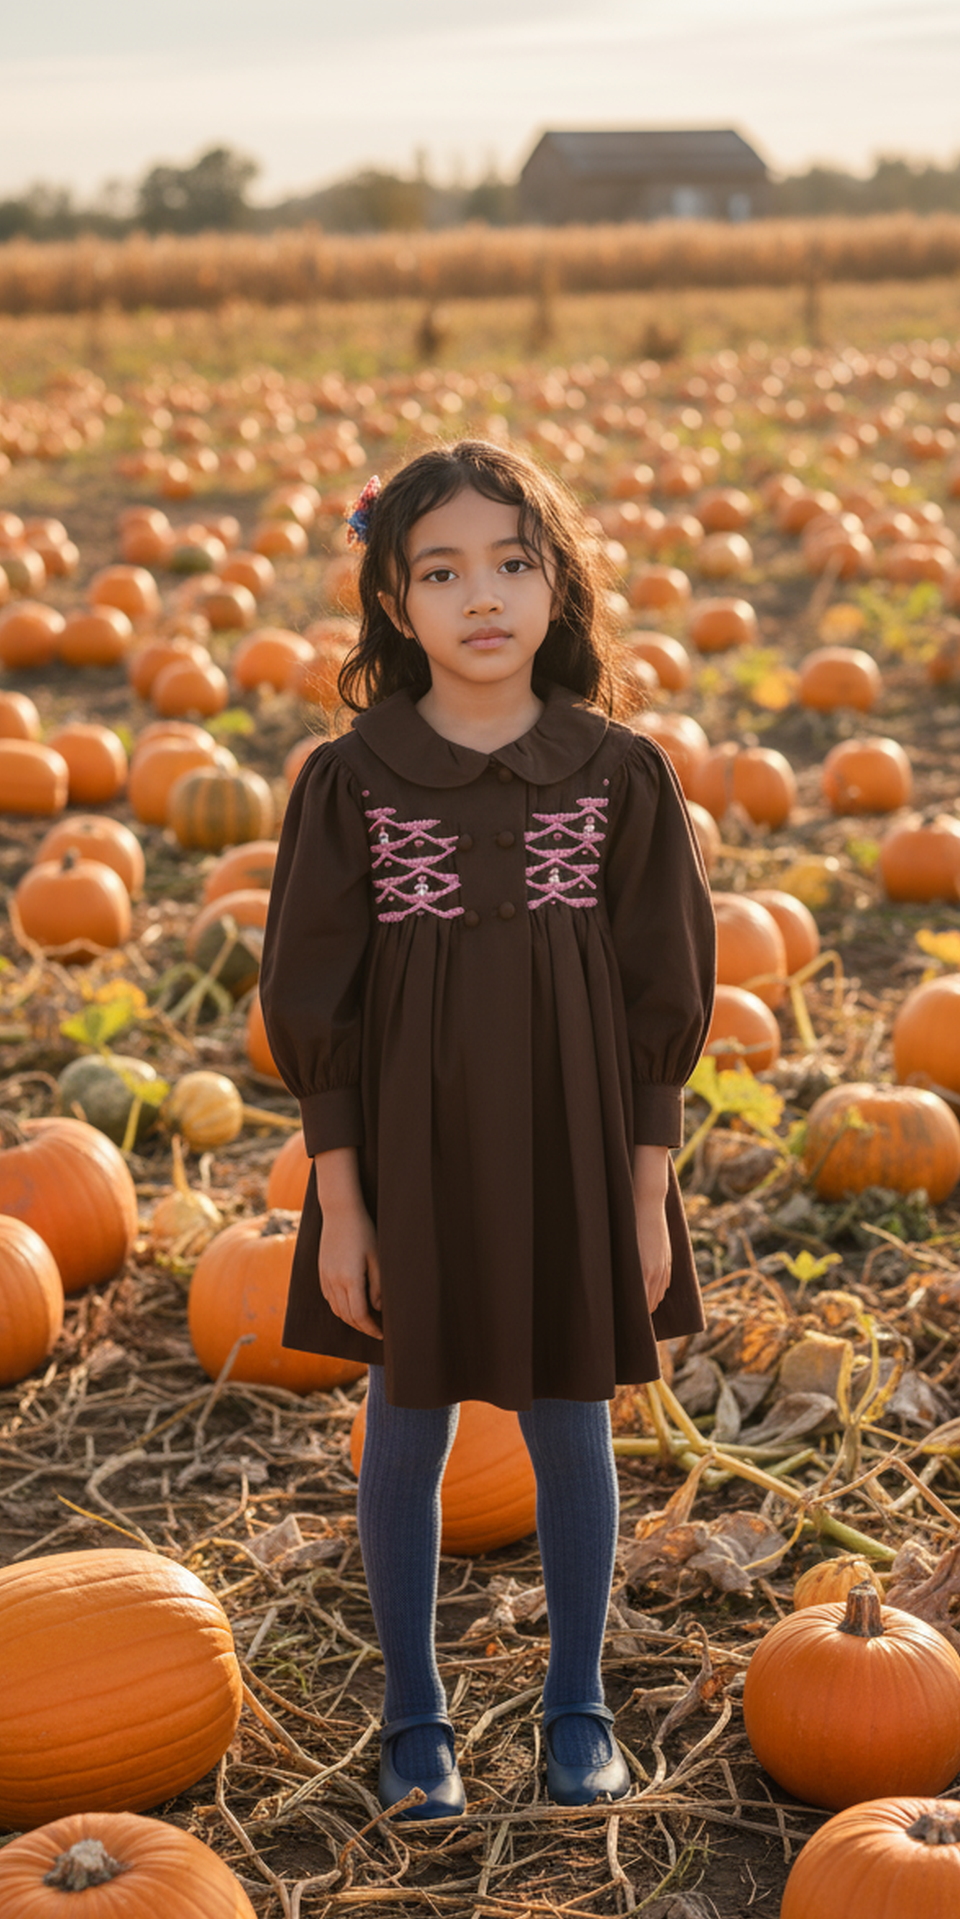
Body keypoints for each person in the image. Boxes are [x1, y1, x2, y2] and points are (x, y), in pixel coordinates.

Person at [259, 439, 715, 1819]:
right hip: (413, 1152)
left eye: (513, 565)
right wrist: (342, 1196)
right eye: (441, 571)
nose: (482, 598)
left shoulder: (617, 772)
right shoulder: (355, 782)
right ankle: (416, 1719)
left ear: (558, 583)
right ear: (395, 605)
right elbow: (311, 994)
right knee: (407, 1417)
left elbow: (661, 987)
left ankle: (577, 1704)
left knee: (573, 1414)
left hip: (579, 1149)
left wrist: (648, 1191)